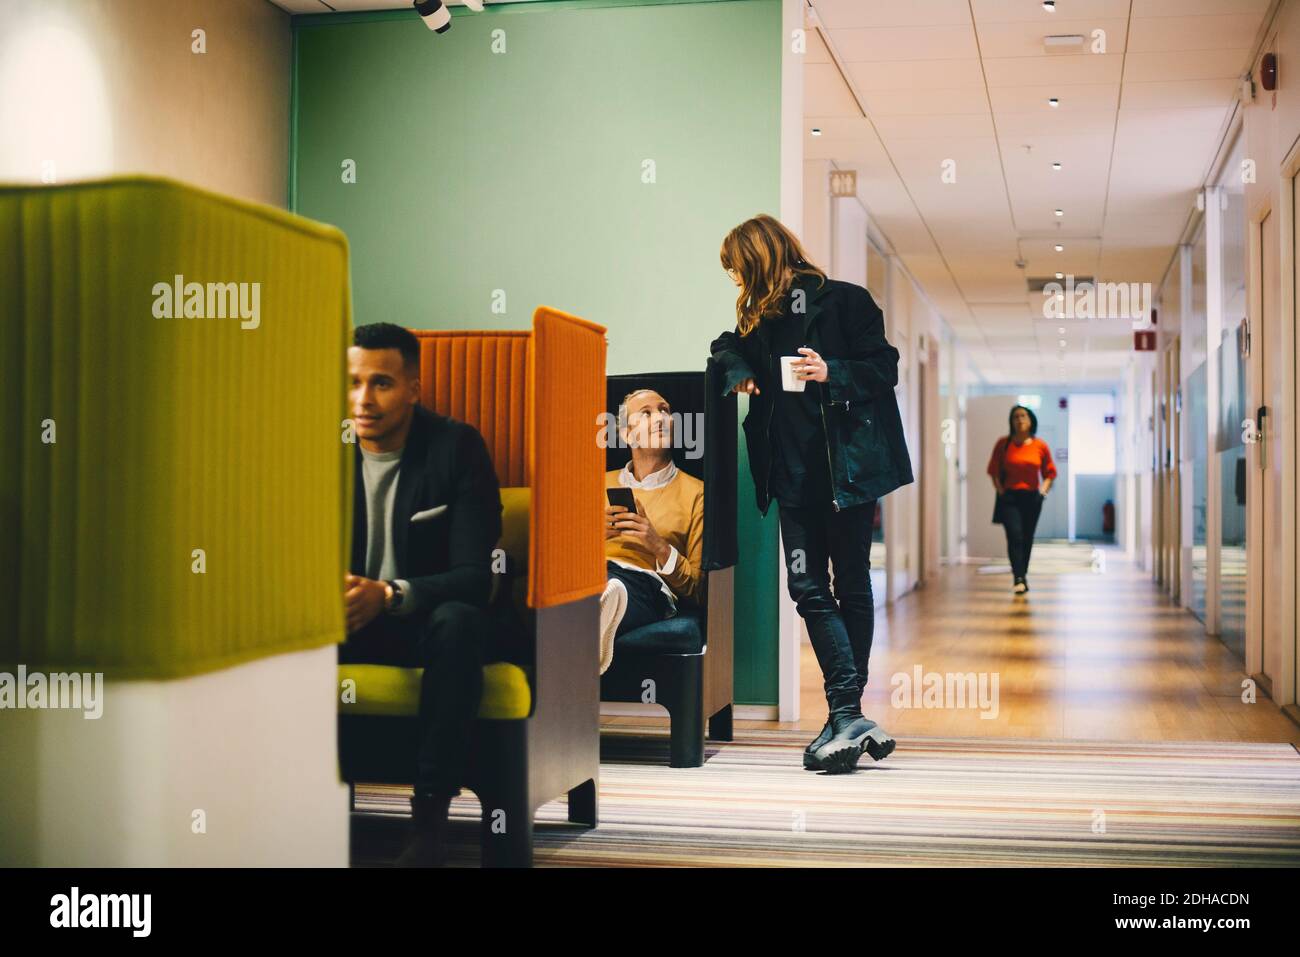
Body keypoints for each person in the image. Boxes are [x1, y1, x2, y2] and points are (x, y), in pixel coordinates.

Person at [709, 214, 913, 774]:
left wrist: (833, 371)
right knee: (806, 586)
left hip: (848, 473)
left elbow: (886, 367)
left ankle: (844, 714)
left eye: (738, 270)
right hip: (792, 476)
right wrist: (736, 372)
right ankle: (848, 714)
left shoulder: (845, 301)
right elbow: (724, 345)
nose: (737, 284)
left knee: (849, 584)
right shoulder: (760, 323)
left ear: (760, 259)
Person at [339, 322, 506, 867]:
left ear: (413, 387)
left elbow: (475, 577)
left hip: (424, 626)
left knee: (459, 622)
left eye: (381, 383)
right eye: (353, 382)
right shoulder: (321, 451)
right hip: (338, 625)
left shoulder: (456, 447)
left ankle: (430, 818)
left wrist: (388, 594)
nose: (364, 400)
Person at [601, 388, 705, 673]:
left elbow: (698, 590)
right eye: (646, 413)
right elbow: (561, 556)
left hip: (646, 587)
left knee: (616, 586)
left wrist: (656, 545)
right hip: (589, 573)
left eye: (665, 410)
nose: (660, 418)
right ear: (625, 433)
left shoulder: (697, 493)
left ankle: (606, 599)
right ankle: (601, 605)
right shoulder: (594, 482)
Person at [988, 404, 1056, 595]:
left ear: (1030, 420)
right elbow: (993, 470)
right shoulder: (1004, 444)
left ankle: (1022, 574)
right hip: (1010, 497)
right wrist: (1000, 490)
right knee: (1015, 536)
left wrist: (1043, 491)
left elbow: (1050, 472)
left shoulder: (1039, 445)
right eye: (1016, 416)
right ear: (1011, 421)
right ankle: (1018, 577)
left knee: (1027, 537)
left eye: (1023, 416)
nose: (1020, 420)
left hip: (1032, 498)